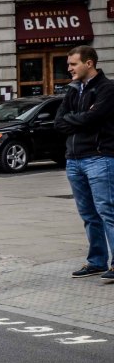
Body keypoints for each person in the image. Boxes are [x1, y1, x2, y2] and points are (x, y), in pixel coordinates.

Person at [55, 45, 114, 282]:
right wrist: (79, 119)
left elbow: (94, 118)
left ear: (89, 63)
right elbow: (59, 122)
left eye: (73, 64)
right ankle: (97, 261)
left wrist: (78, 119)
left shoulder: (107, 89)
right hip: (74, 160)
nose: (69, 69)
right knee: (89, 214)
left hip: (99, 157)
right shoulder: (73, 90)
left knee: (107, 211)